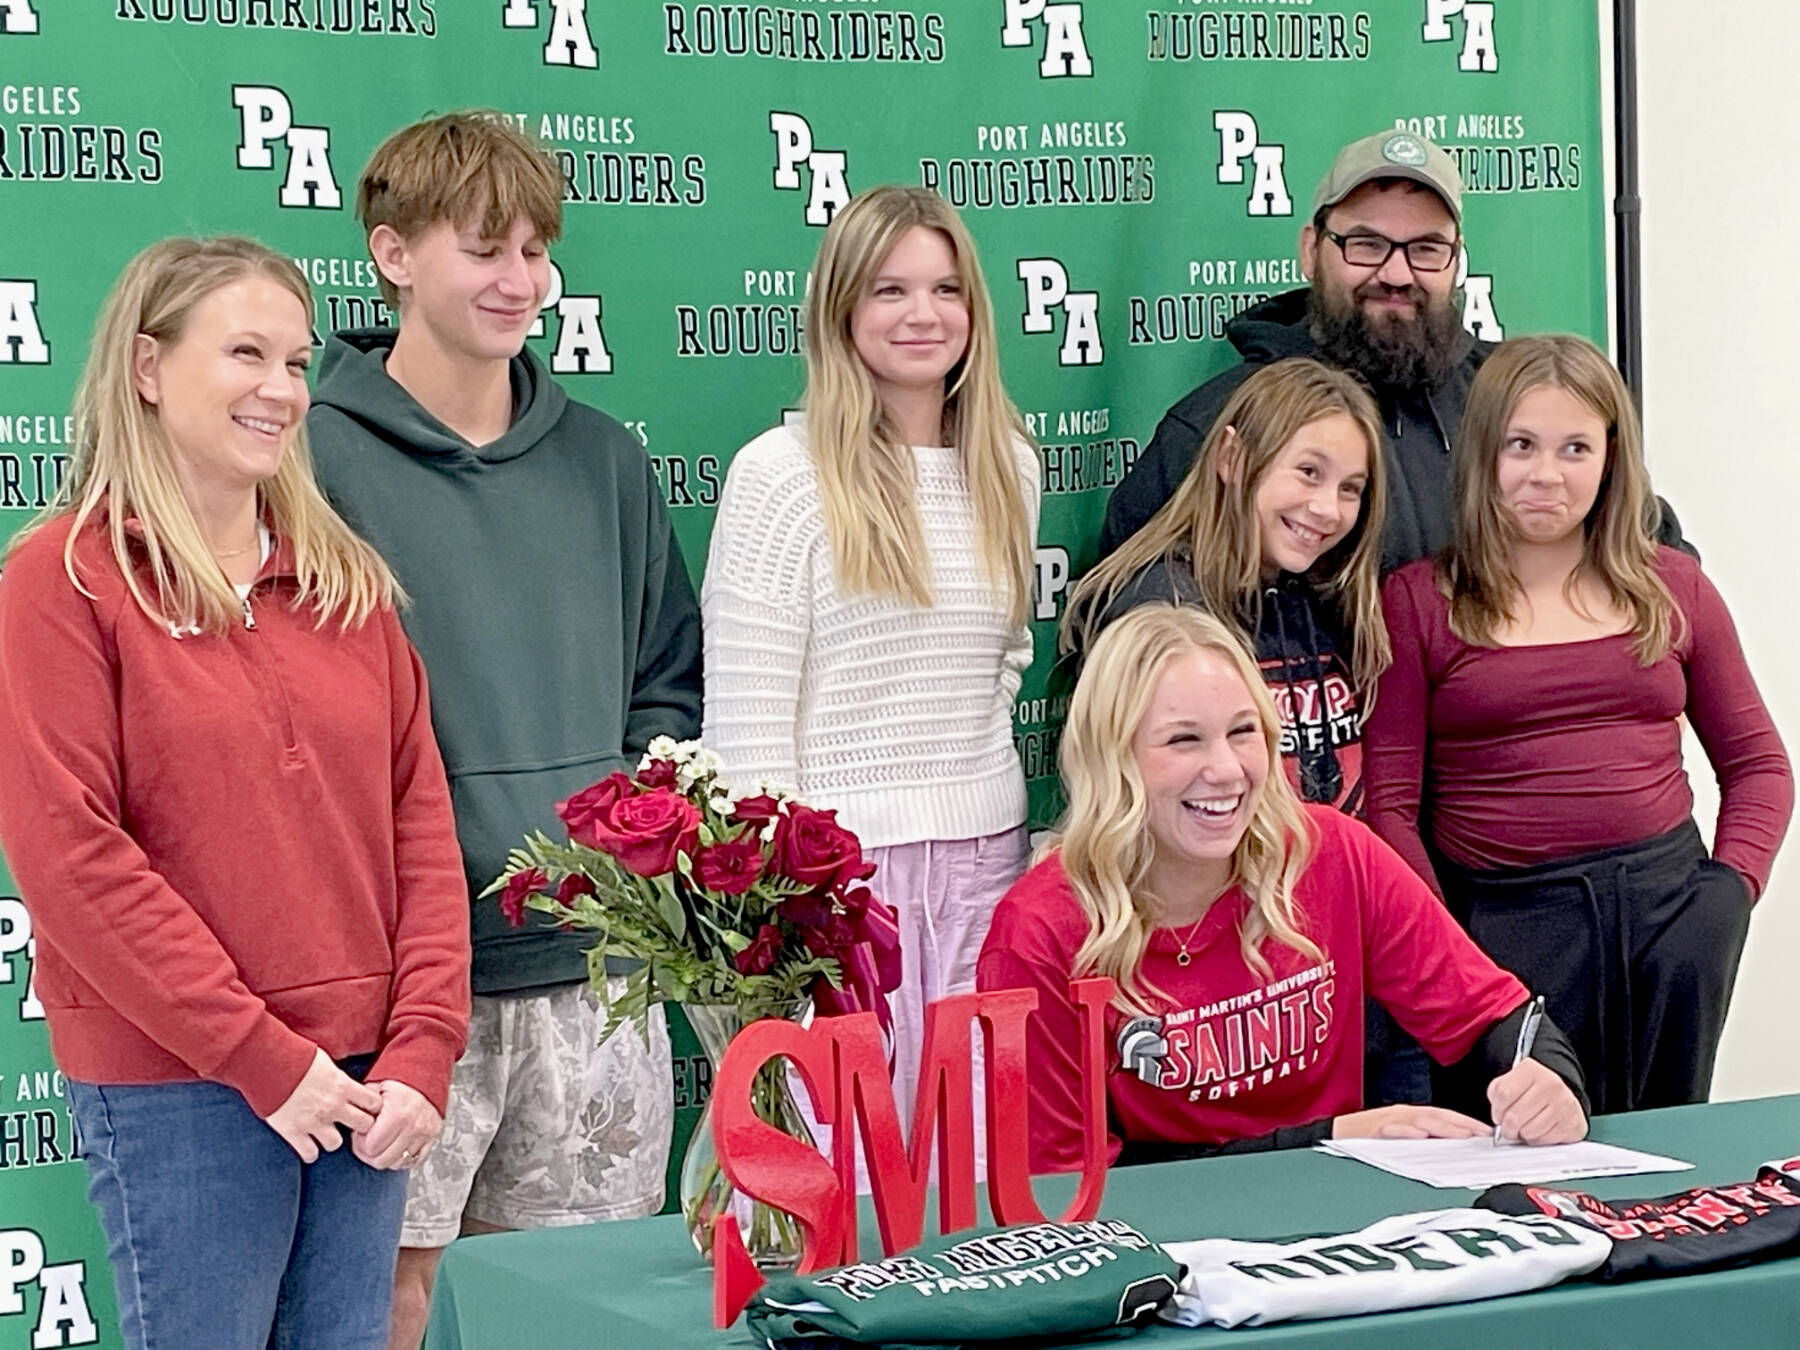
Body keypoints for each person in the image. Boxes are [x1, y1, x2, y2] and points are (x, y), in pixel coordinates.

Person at [0, 236, 470, 1350]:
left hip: (366, 1092)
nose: (281, 390)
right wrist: (264, 1062)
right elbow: (73, 857)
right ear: (148, 370)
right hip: (184, 1091)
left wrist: (422, 1048)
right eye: (246, 353)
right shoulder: (60, 583)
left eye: (298, 362)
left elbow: (422, 828)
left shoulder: (346, 583)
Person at [306, 113, 702, 1350]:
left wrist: (621, 851)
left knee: (570, 1304)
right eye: (487, 247)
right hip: (400, 977)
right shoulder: (305, 459)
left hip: (594, 977)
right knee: (390, 1296)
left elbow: (667, 687)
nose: (520, 280)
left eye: (537, 250)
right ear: (393, 252)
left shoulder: (605, 463)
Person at [975, 605, 1588, 1174]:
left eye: (1243, 732)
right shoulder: (1041, 930)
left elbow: (1494, 1017)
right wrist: (1327, 1140)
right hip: (1169, 1249)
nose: (1226, 769)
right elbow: (1063, 1186)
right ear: (1115, 758)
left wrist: (1550, 1082)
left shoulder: (1334, 853)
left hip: (1339, 1228)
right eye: (1183, 739)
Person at [1364, 334, 1792, 1115]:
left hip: (1671, 923)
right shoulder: (1419, 599)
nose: (1546, 475)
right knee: (1516, 1175)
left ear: (1612, 457)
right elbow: (1389, 808)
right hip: (1499, 933)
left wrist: (1727, 895)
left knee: (1665, 1166)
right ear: (1484, 450)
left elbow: (1760, 765)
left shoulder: (1673, 586)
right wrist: (1449, 950)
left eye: (1575, 448)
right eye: (1522, 445)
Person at [703, 184, 1041, 1153]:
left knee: (980, 1169)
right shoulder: (781, 475)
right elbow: (747, 729)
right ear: (841, 308)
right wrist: (788, 909)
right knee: (840, 1175)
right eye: (890, 289)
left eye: (945, 289)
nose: (922, 314)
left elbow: (1003, 660)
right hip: (840, 892)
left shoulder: (1007, 466)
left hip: (986, 873)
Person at [1101, 128, 1685, 570]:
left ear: (1457, 261)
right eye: (1367, 243)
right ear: (1311, 248)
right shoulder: (1219, 424)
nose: (1397, 272)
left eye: (1427, 249)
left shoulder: (1519, 399)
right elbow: (1129, 626)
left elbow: (1655, 556)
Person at [1063, 357, 1387, 816]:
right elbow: (1134, 806)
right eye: (1308, 472)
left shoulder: (1326, 596)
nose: (1327, 509)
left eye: (1350, 489)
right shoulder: (1162, 607)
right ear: (1232, 458)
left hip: (1325, 877)